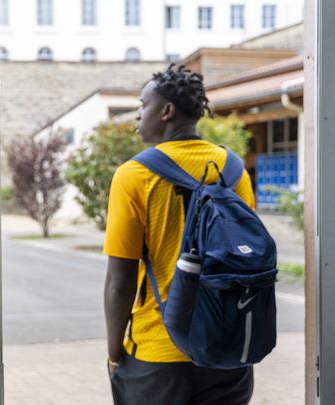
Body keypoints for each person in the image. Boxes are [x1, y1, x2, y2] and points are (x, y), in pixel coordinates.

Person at [103, 64, 256, 404]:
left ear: (167, 111)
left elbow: (120, 281)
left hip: (158, 355)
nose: (137, 116)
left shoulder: (133, 176)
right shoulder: (233, 170)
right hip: (227, 350)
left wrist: (115, 353)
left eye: (143, 105)